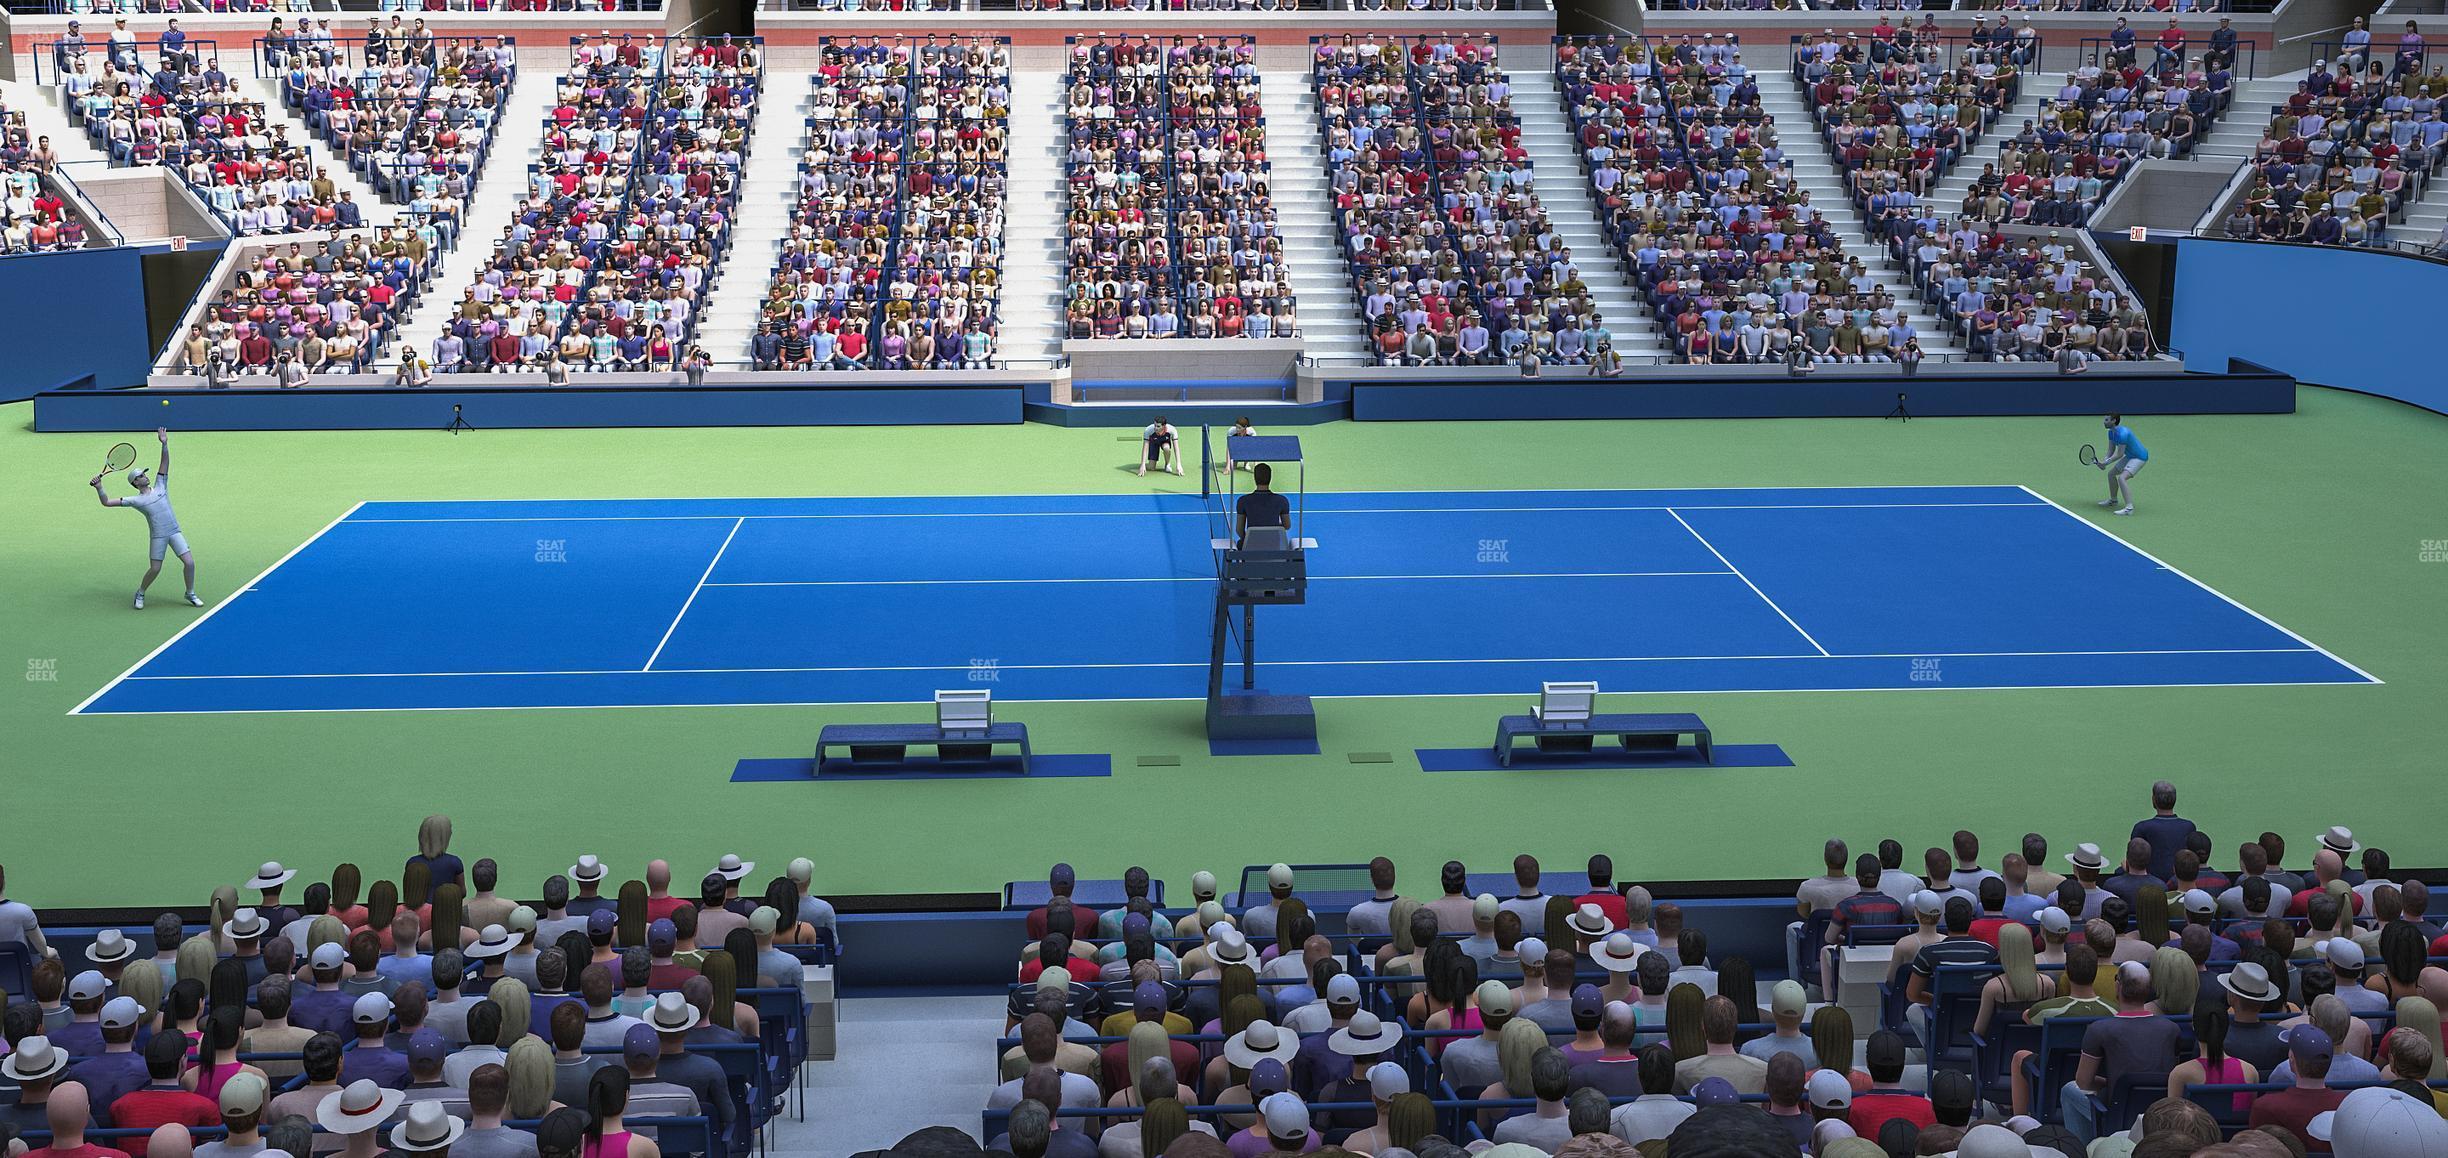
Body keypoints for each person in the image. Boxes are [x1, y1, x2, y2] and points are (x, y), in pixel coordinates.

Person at [91, 428, 201, 610]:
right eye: (141, 475)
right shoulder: (135, 500)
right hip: (158, 536)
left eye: (144, 473)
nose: (145, 476)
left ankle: (190, 592)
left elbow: (164, 463)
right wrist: (99, 488)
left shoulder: (160, 485)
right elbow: (107, 503)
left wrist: (164, 444)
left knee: (189, 562)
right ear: (135, 482)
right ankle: (140, 592)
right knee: (155, 569)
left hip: (174, 531)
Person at [2096, 414, 2148, 516]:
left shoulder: (2123, 433)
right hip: (2130, 456)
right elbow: (2111, 450)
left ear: (2114, 421)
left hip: (2139, 457)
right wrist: (2104, 461)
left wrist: (2106, 463)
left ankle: (2129, 508)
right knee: (2111, 474)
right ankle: (2113, 500)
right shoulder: (2111, 433)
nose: (2104, 422)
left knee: (2122, 478)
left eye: (2106, 420)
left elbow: (2119, 454)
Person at [1233, 463, 1291, 548]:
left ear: (1255, 478)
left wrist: (1249, 538)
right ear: (1270, 478)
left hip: (1250, 551)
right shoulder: (1282, 501)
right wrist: (1271, 524)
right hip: (1275, 550)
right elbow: (1287, 525)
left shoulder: (1243, 501)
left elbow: (1239, 530)